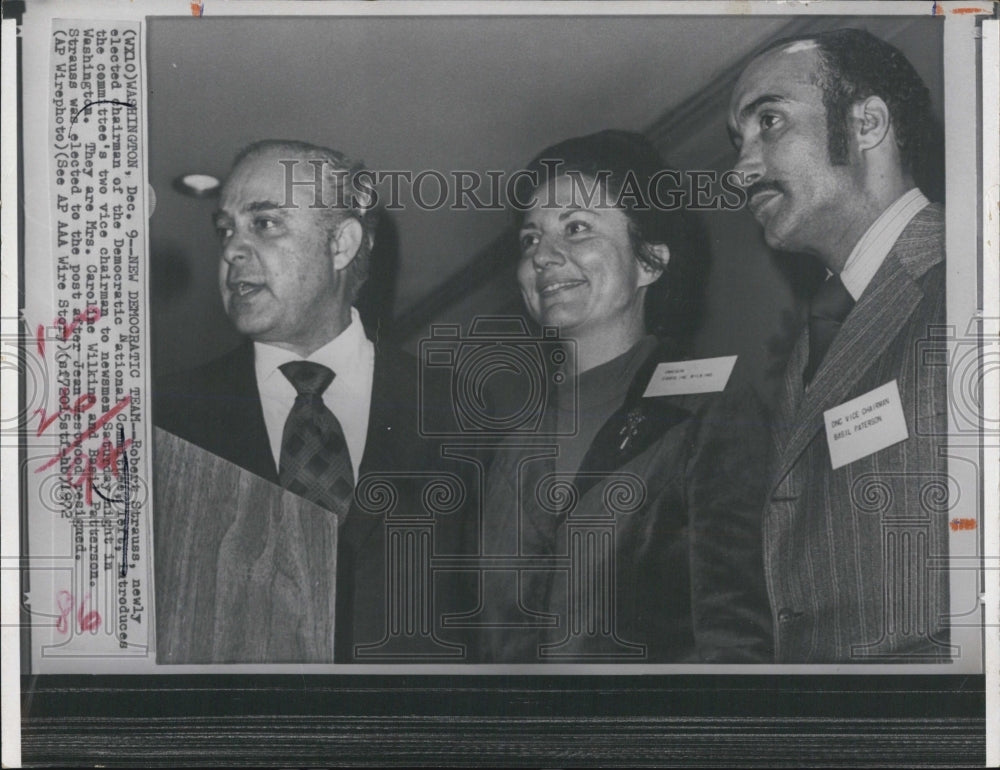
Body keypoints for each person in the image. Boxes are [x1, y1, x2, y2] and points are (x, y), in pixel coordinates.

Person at [471, 130, 773, 663]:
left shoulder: (706, 410)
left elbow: (735, 636)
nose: (543, 256)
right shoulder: (508, 446)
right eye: (530, 239)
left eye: (576, 228)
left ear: (650, 261)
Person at [154, 139, 458, 663]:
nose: (231, 250)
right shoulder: (161, 418)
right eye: (225, 230)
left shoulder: (463, 411)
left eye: (264, 223)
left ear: (341, 244)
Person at [728, 28, 950, 662]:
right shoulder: (814, 338)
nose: (739, 171)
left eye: (769, 121)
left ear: (867, 124)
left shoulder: (977, 277)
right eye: (738, 142)